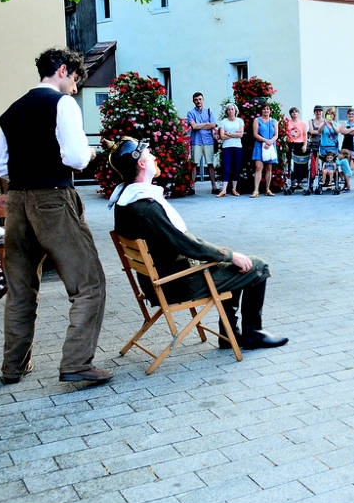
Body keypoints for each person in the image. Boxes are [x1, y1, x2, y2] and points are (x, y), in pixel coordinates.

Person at [0, 47, 110, 384]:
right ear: (62, 70)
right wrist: (91, 154)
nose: (74, 88)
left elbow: (0, 166)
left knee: (20, 289)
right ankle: (76, 362)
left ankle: (13, 366)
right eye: (74, 80)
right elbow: (75, 158)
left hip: (16, 202)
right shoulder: (63, 104)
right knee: (89, 283)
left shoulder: (11, 111)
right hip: (54, 200)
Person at [108, 138, 288, 351]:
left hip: (157, 281)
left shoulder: (125, 202)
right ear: (141, 163)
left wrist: (225, 256)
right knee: (257, 267)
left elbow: (181, 243)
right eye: (149, 155)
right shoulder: (146, 207)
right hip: (177, 283)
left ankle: (229, 335)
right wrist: (230, 255)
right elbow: (187, 245)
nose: (154, 157)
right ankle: (252, 334)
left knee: (232, 264)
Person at [186, 91, 220, 194]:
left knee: (210, 164)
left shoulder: (209, 111)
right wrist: (206, 124)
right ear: (193, 101)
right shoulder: (191, 113)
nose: (198, 101)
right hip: (196, 141)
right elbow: (194, 126)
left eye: (200, 99)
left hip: (208, 141)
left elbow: (213, 125)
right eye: (196, 100)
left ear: (203, 100)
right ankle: (192, 188)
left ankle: (214, 187)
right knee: (194, 164)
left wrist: (199, 125)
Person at [216, 103, 244, 197]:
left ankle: (234, 189)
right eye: (228, 109)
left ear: (235, 111)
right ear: (226, 111)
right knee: (226, 168)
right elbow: (222, 136)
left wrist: (229, 134)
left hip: (237, 147)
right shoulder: (223, 122)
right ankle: (224, 190)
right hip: (226, 147)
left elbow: (241, 134)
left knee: (236, 168)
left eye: (232, 109)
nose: (230, 111)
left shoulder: (240, 121)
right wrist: (234, 134)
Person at [250, 104, 278, 197]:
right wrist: (266, 141)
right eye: (264, 109)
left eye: (268, 109)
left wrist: (270, 142)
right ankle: (256, 190)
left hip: (270, 146)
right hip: (259, 145)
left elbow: (276, 135)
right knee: (258, 167)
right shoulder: (257, 120)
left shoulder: (274, 121)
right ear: (261, 110)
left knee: (269, 168)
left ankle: (267, 189)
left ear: (270, 111)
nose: (266, 110)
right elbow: (255, 134)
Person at [338, 107, 354, 188]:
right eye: (349, 114)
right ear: (347, 115)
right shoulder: (344, 123)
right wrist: (352, 129)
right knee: (345, 166)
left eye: (352, 114)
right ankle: (347, 184)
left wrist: (347, 131)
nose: (351, 115)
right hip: (346, 147)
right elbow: (342, 131)